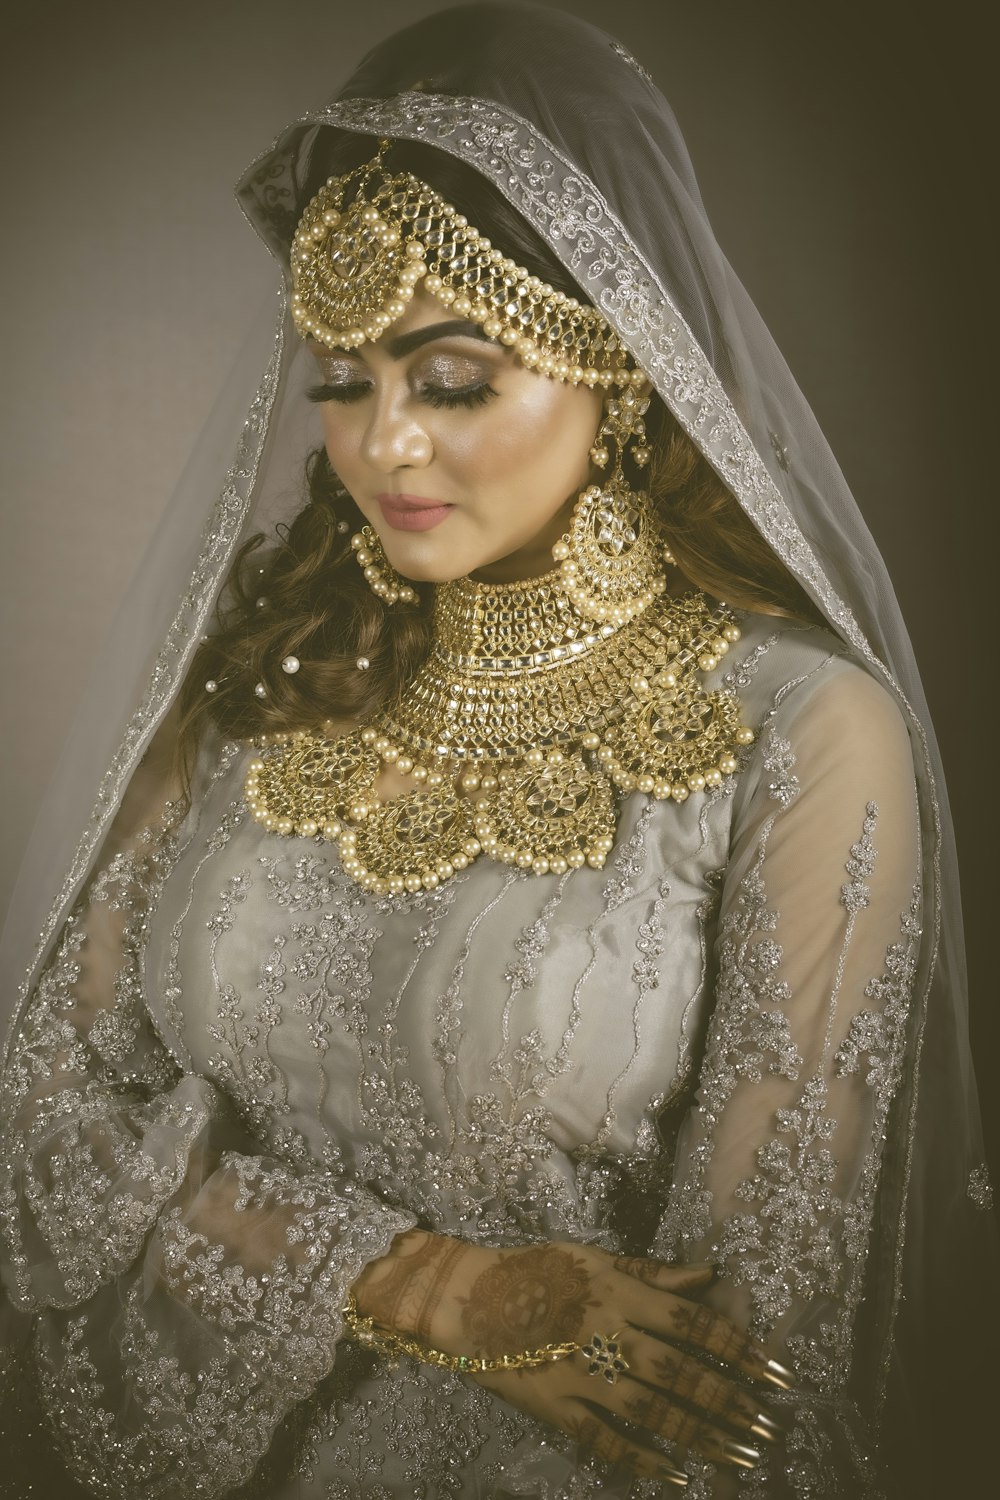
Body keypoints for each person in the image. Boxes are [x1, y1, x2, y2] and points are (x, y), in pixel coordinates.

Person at [0, 4, 994, 1497]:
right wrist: (424, 1284)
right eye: (343, 380)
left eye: (451, 380)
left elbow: (734, 1364)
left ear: (624, 364)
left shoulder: (798, 729)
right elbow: (48, 1120)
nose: (381, 443)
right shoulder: (261, 689)